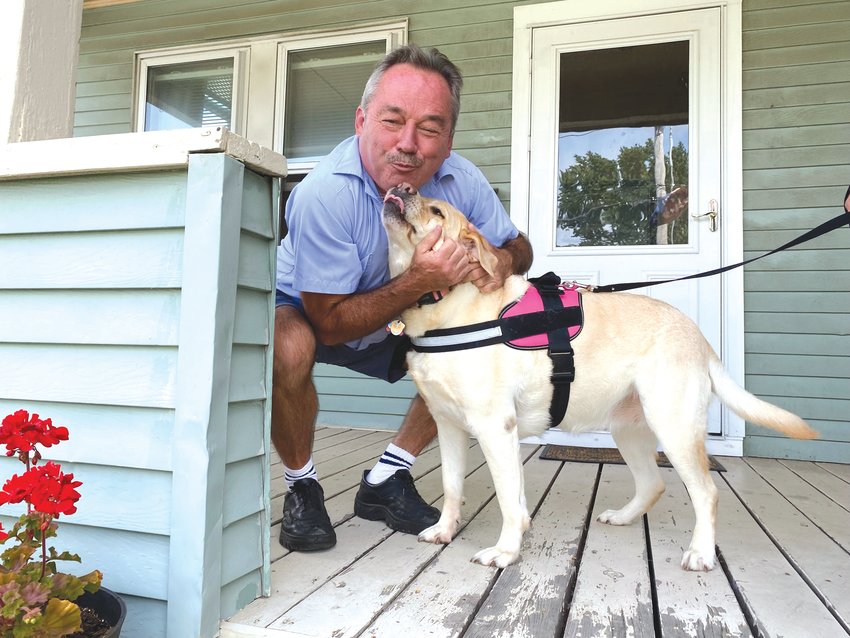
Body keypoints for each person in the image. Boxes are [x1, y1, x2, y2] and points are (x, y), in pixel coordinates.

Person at [273, 43, 533, 551]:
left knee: (464, 348)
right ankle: (301, 485)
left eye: (430, 128)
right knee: (290, 350)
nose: (408, 144)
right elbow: (331, 324)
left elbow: (519, 247)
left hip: (405, 312)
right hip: (313, 309)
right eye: (393, 121)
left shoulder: (462, 178)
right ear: (361, 120)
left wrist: (501, 261)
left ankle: (386, 477)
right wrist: (418, 280)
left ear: (449, 138)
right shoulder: (324, 192)